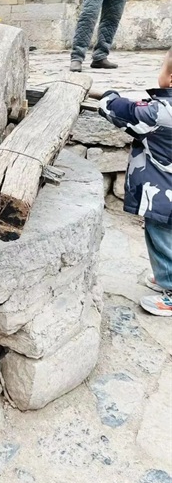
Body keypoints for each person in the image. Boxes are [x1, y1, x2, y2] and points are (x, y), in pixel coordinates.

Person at [99, 48, 172, 316]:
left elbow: (117, 110)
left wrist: (110, 95)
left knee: (161, 237)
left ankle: (171, 289)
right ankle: (166, 275)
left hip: (165, 198)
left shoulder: (160, 113)